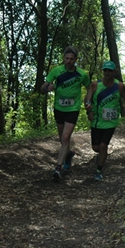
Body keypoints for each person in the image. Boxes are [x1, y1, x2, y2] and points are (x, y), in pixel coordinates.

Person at [42, 46, 90, 180]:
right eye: (67, 58)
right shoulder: (56, 71)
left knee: (65, 137)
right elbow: (42, 87)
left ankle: (58, 168)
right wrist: (47, 88)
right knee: (62, 139)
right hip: (59, 108)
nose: (69, 61)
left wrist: (88, 101)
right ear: (64, 58)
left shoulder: (81, 74)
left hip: (73, 109)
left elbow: (89, 87)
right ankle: (68, 155)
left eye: (71, 59)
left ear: (76, 60)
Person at [84, 61, 125, 181]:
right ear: (103, 71)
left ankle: (99, 170)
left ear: (114, 71)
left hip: (111, 121)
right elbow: (87, 100)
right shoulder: (95, 85)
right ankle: (102, 155)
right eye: (105, 70)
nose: (107, 73)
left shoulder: (119, 86)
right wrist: (88, 110)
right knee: (95, 147)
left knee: (103, 145)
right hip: (97, 121)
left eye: (110, 70)